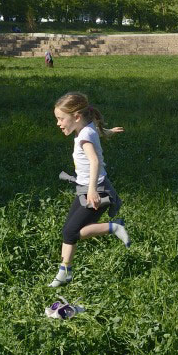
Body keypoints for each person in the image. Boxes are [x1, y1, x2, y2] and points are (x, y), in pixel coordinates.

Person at [48, 91, 130, 287]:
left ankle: (115, 227)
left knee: (71, 232)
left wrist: (92, 190)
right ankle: (65, 272)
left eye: (61, 119)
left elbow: (94, 162)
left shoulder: (84, 135)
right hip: (86, 187)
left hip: (96, 190)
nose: (58, 123)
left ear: (76, 116)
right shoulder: (87, 128)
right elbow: (96, 133)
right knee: (69, 231)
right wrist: (108, 132)